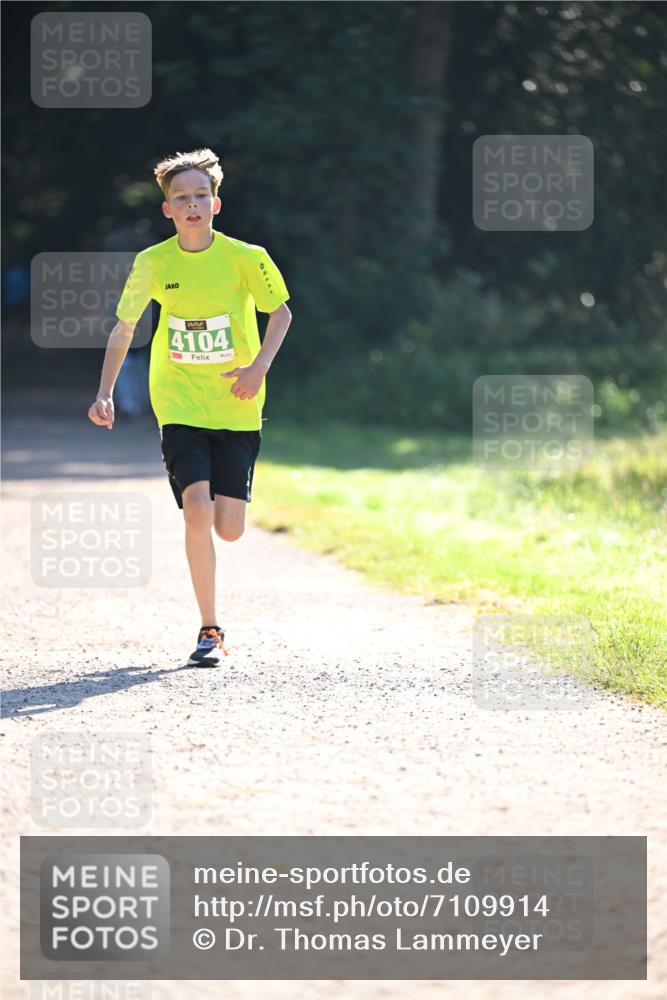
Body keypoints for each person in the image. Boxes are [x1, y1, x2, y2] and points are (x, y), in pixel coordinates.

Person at [87, 148, 292, 666]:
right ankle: (209, 629)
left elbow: (281, 314)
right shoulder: (153, 263)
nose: (193, 204)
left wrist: (258, 367)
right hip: (178, 402)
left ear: (216, 204)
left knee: (229, 527)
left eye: (201, 195)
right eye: (182, 197)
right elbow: (125, 326)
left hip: (237, 403)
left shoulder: (248, 257)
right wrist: (105, 391)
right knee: (196, 511)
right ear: (168, 210)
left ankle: (214, 613)